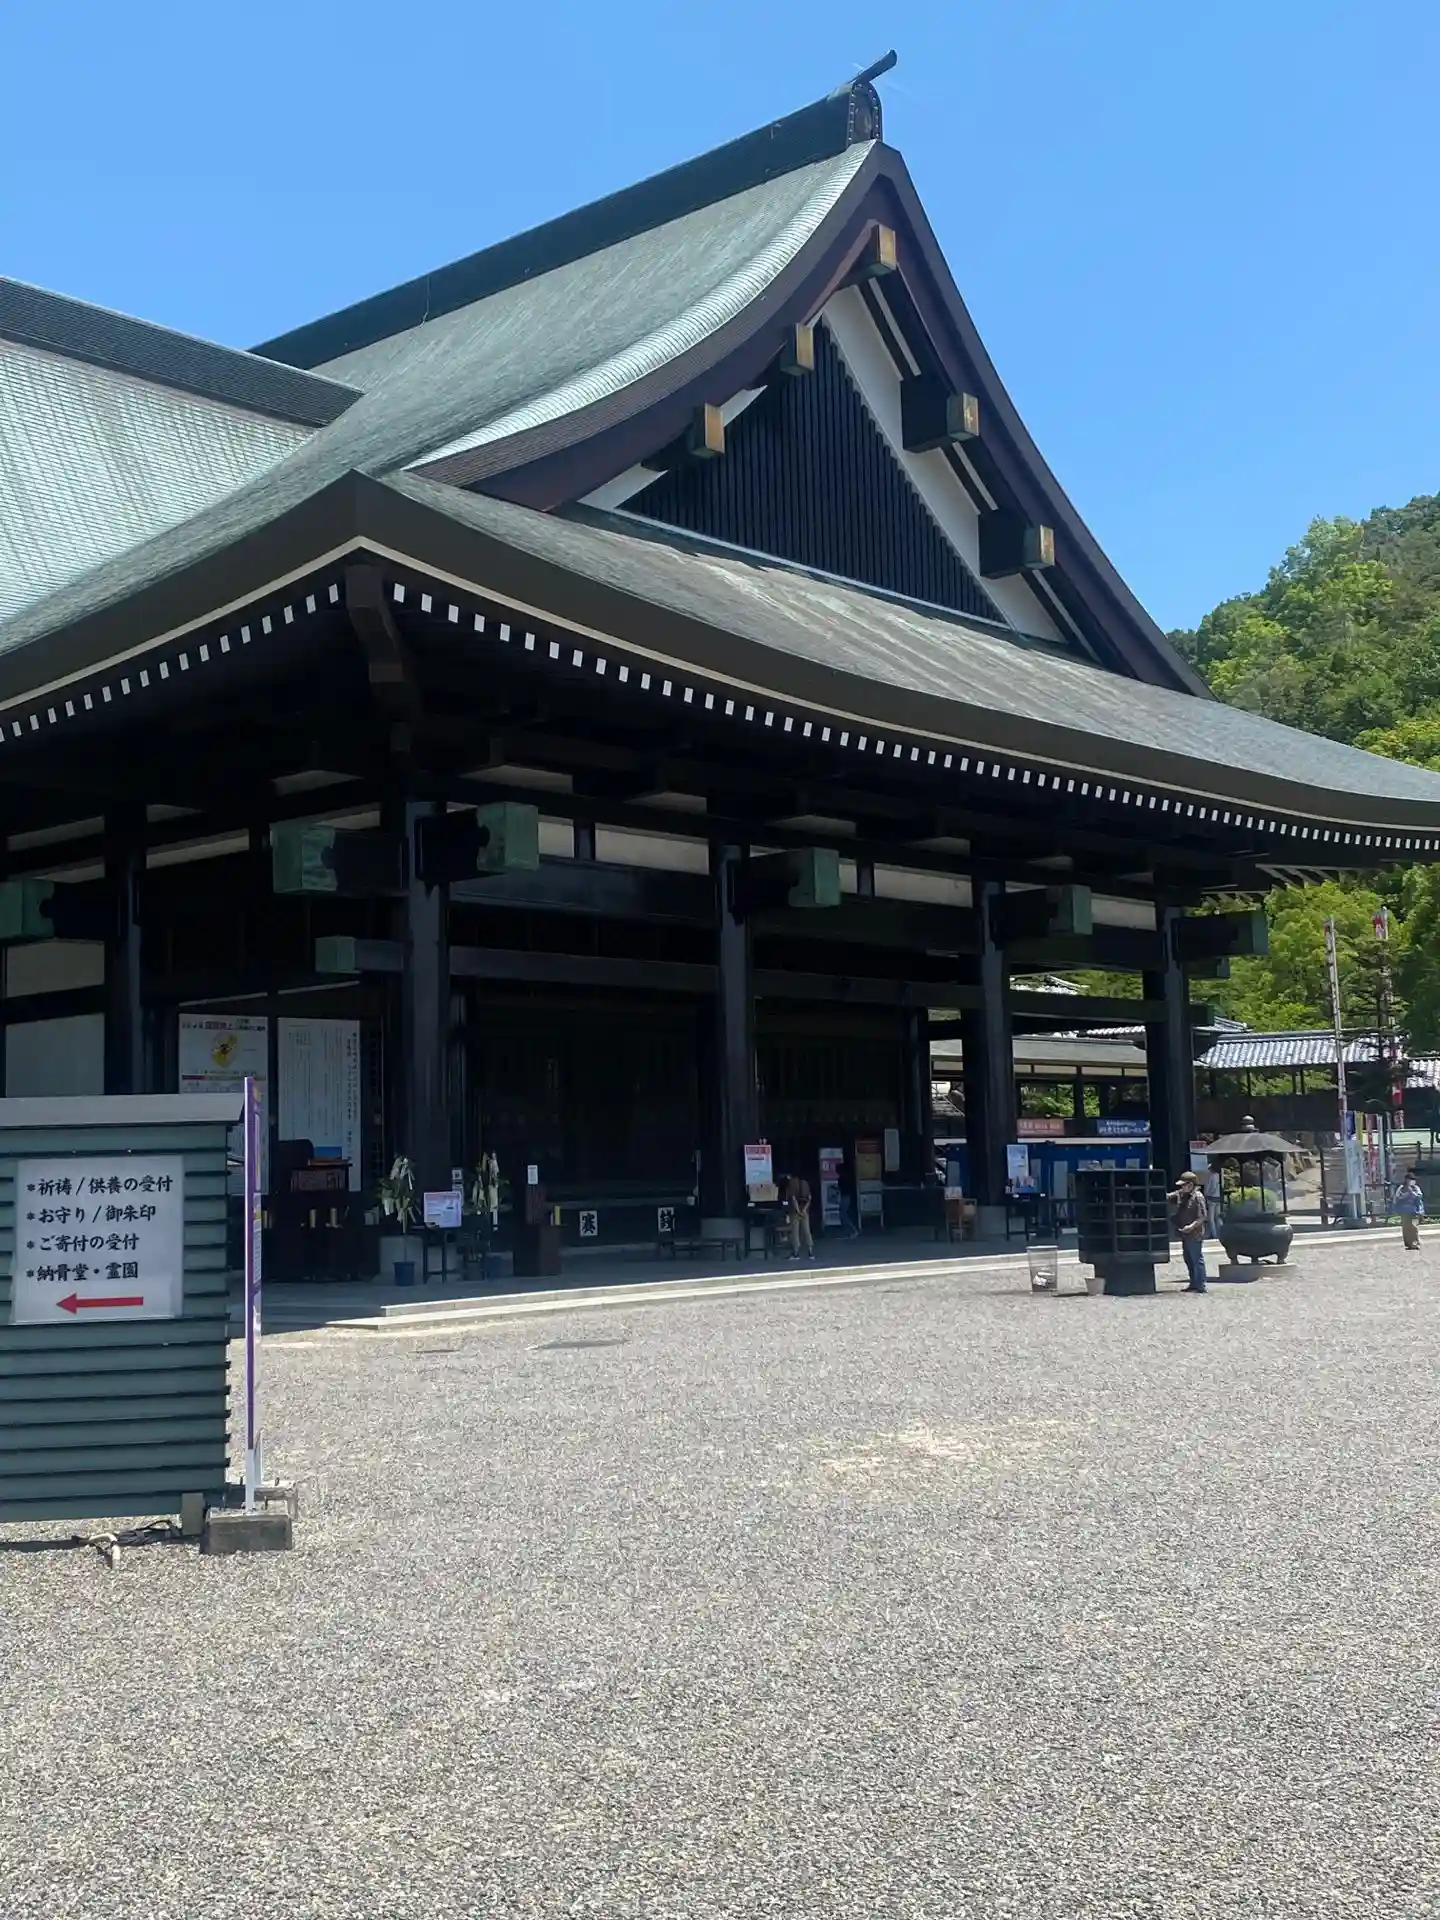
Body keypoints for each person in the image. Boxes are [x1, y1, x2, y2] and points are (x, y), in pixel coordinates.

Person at [1170, 1171, 1209, 1292]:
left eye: (1184, 1185)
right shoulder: (1182, 1195)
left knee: (1197, 1259)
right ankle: (1193, 1283)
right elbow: (1169, 1196)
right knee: (1188, 1259)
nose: (1182, 1187)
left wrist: (1191, 1227)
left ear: (1191, 1185)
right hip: (1185, 1233)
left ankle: (1201, 1284)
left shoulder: (1198, 1197)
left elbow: (1202, 1216)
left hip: (1195, 1233)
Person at [784, 1170, 814, 1261]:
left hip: (795, 1211)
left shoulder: (792, 1183)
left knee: (795, 1232)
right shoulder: (805, 1183)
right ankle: (810, 1253)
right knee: (807, 1231)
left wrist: (798, 1210)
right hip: (805, 1211)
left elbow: (793, 1199)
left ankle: (796, 1253)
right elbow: (809, 1198)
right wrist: (804, 1209)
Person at [1395, 1173, 1425, 1250]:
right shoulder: (1401, 1188)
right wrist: (1406, 1194)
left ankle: (1415, 1243)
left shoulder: (1416, 1188)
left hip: (1414, 1211)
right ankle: (1408, 1244)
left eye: (1413, 1179)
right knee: (1406, 1228)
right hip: (1404, 1211)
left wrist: (1411, 1192)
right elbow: (1397, 1198)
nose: (1412, 1181)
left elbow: (1419, 1197)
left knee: (1414, 1227)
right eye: (1410, 1179)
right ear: (1406, 1180)